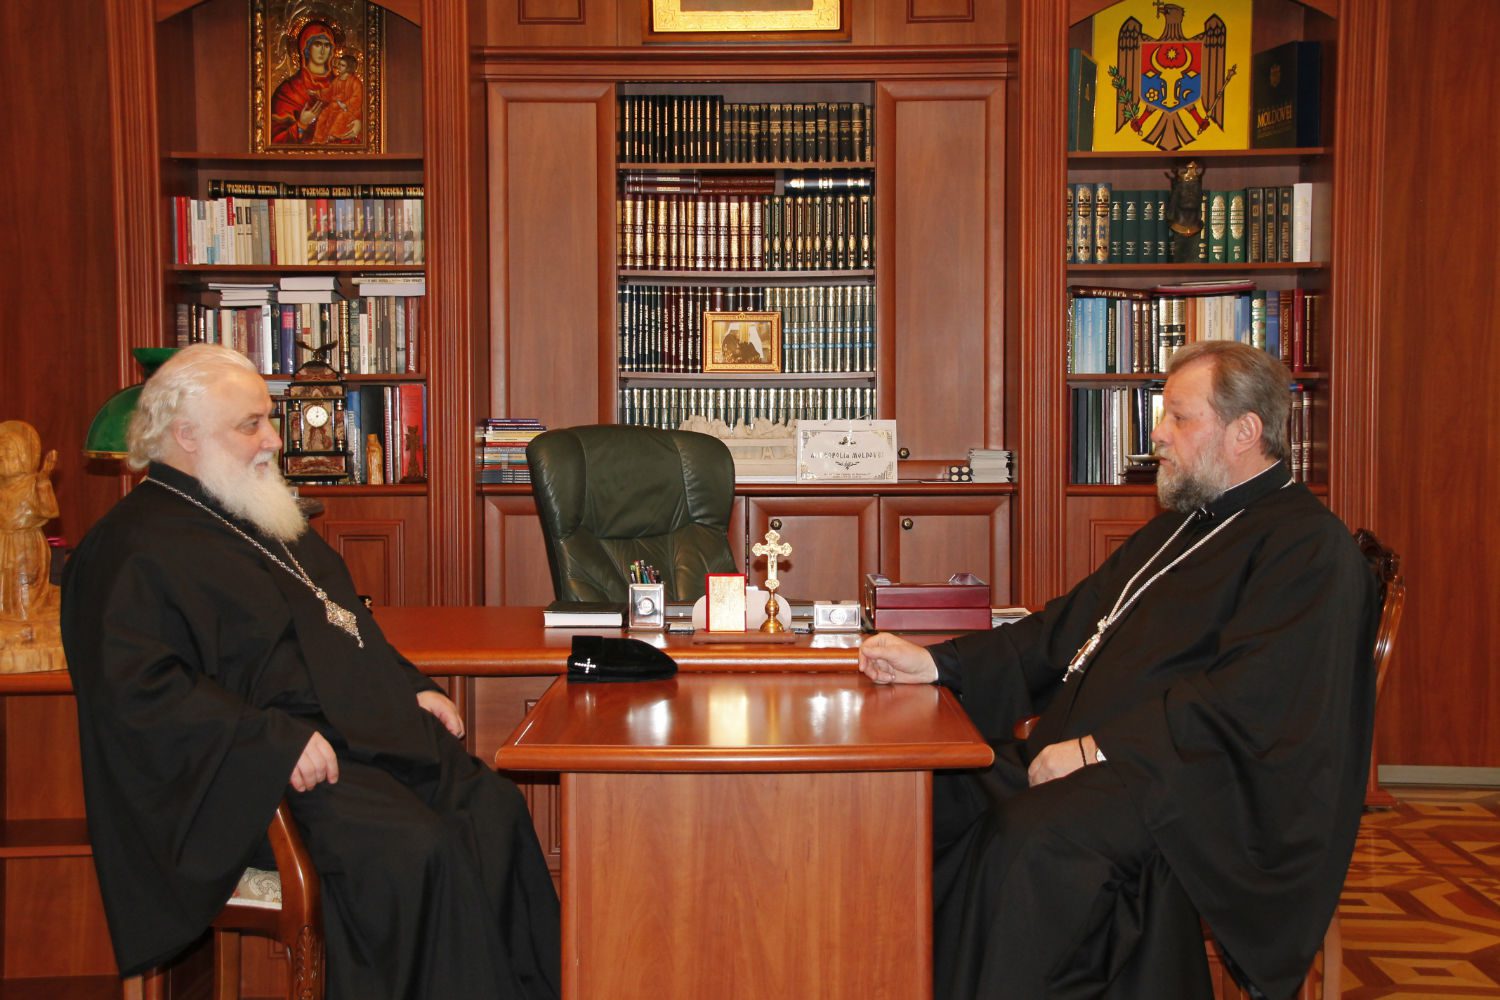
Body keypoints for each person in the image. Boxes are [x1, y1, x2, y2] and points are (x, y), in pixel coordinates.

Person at [859, 340, 1376, 1000]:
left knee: (1032, 842)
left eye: (1179, 417)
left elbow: (1252, 702)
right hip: (1098, 760)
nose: (1157, 434)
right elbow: (1061, 630)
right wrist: (937, 663)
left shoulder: (1308, 548)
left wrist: (1097, 749)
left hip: (1199, 793)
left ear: (1244, 432)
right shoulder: (1179, 528)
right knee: (923, 796)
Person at [61, 345, 560, 999]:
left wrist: (410, 686)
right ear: (185, 435)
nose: (273, 440)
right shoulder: (127, 548)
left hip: (352, 738)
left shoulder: (258, 512)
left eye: (267, 420)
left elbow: (342, 623)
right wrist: (270, 742)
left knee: (493, 811)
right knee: (418, 850)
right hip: (253, 777)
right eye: (251, 425)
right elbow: (137, 693)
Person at [270, 21, 338, 146]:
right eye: (317, 44)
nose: (322, 50)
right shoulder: (289, 91)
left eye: (327, 45)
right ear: (306, 48)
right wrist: (301, 124)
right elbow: (275, 140)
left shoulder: (342, 86)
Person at [311, 53, 364, 145]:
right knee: (323, 115)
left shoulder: (355, 82)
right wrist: (317, 92)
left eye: (342, 65)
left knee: (340, 117)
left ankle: (333, 137)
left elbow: (357, 97)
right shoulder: (337, 80)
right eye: (339, 64)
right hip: (335, 106)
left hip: (349, 110)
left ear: (349, 68)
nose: (339, 67)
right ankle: (318, 140)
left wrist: (345, 104)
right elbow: (329, 92)